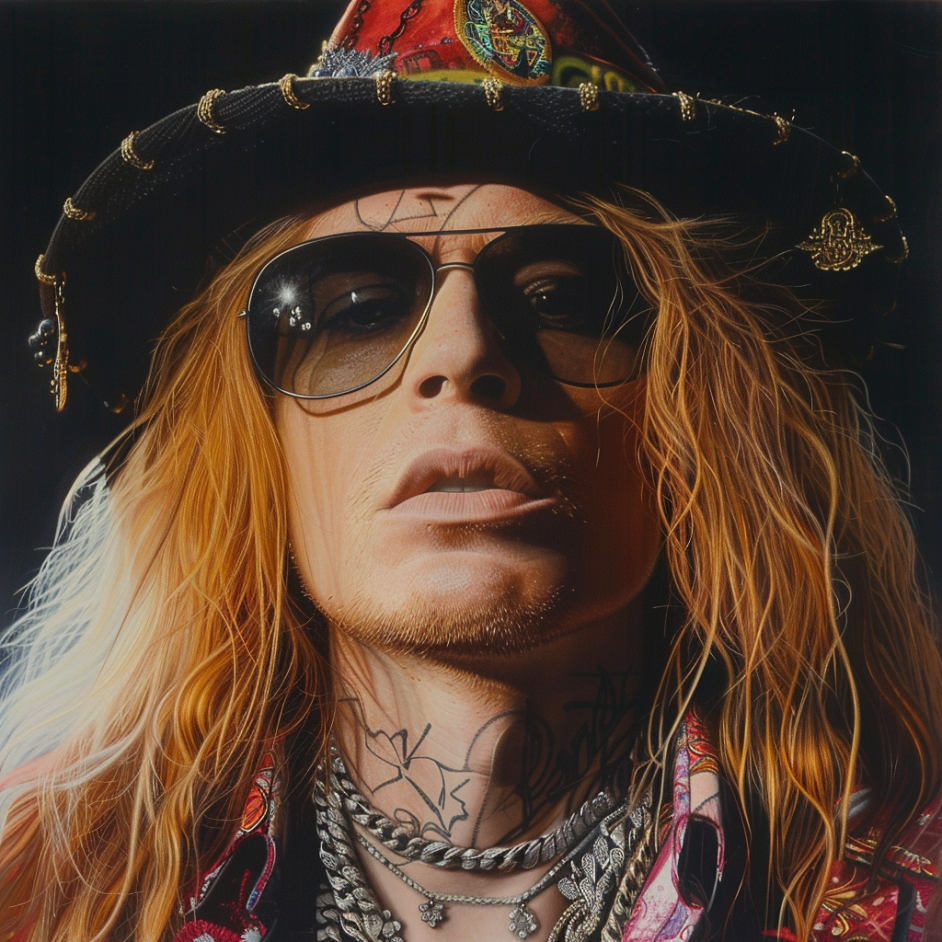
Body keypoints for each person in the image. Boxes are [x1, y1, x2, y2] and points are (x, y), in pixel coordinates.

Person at [1, 2, 940, 940]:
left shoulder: (908, 894)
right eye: (358, 309)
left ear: (707, 415)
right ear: (256, 436)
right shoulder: (41, 889)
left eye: (564, 299)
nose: (461, 353)